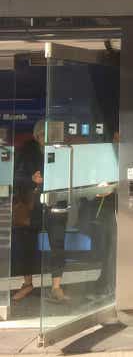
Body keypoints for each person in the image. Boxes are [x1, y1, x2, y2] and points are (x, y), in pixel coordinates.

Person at [11, 119, 69, 302]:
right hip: (32, 205)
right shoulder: (26, 152)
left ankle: (56, 287)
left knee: (58, 245)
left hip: (56, 204)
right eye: (43, 135)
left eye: (50, 135)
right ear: (36, 136)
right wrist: (31, 179)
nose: (47, 139)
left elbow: (72, 173)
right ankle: (27, 283)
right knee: (25, 243)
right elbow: (14, 177)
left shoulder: (63, 150)